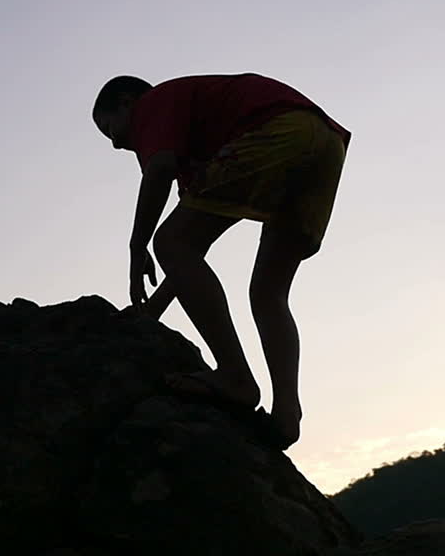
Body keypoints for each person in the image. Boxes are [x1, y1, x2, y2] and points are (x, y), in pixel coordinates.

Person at [92, 72, 350, 449]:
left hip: (277, 129)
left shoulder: (155, 103)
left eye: (109, 128)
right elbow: (189, 255)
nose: (116, 144)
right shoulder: (194, 147)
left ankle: (234, 376)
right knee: (268, 292)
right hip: (324, 143)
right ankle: (286, 416)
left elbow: (159, 172)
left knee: (168, 240)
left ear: (128, 102)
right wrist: (153, 311)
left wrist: (137, 245)